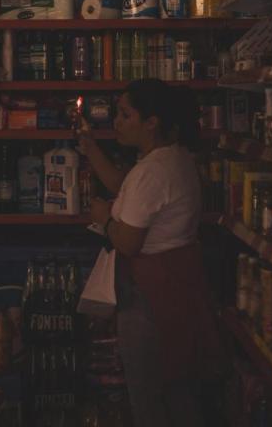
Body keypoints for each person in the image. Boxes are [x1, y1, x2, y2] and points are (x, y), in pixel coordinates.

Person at [77, 78, 223, 427]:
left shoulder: (154, 171)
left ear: (151, 122)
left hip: (152, 294)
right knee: (176, 387)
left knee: (150, 394)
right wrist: (91, 149)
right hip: (176, 285)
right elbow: (122, 186)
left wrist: (102, 217)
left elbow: (128, 241)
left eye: (126, 115)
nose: (117, 122)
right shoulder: (169, 160)